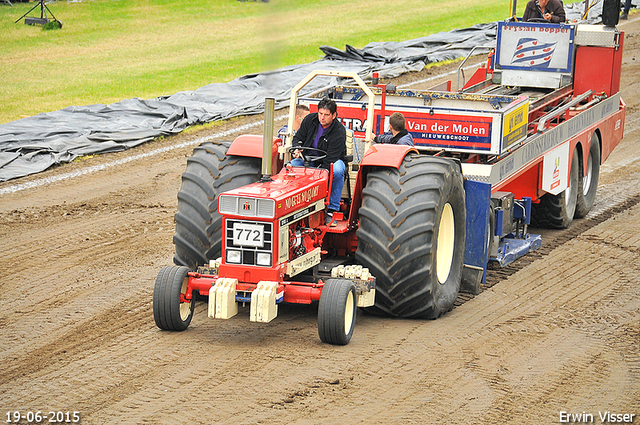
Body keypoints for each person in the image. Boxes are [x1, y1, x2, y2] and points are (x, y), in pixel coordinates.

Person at [291, 97, 346, 225]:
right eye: (320, 113)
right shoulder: (310, 120)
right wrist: (298, 148)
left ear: (334, 115)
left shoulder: (339, 131)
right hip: (308, 159)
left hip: (330, 160)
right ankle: (297, 206)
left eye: (326, 115)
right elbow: (298, 137)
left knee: (337, 169)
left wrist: (318, 173)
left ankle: (331, 209)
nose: (322, 117)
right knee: (293, 166)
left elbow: (332, 157)